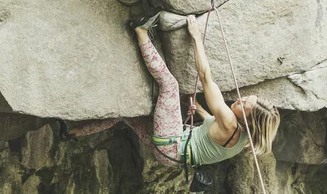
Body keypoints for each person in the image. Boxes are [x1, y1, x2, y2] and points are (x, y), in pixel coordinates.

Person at [66, 13, 280, 167]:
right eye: (246, 98)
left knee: (170, 85)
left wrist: (196, 37)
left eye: (246, 106)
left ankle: (140, 31)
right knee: (127, 117)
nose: (240, 100)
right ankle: (73, 132)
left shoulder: (229, 120)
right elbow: (211, 127)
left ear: (249, 120)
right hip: (170, 156)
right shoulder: (241, 138)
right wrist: (197, 107)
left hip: (173, 143)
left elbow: (205, 77)